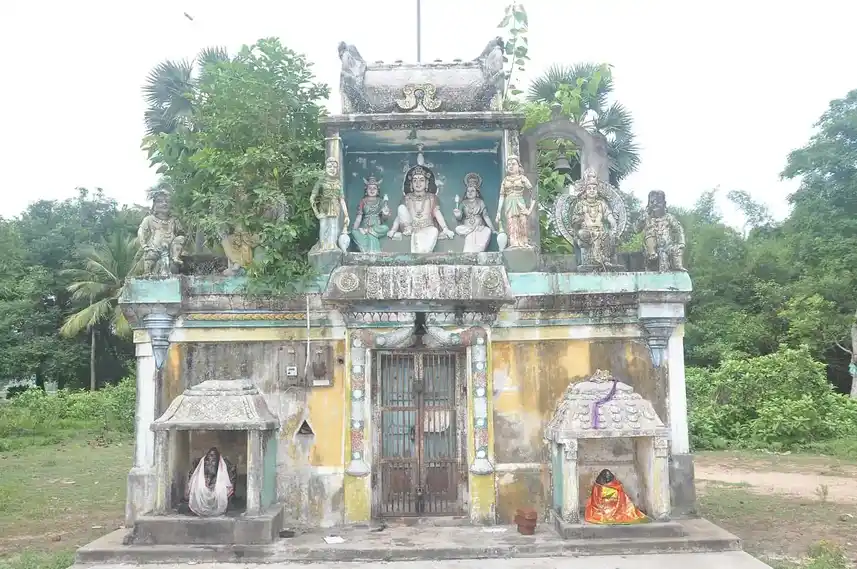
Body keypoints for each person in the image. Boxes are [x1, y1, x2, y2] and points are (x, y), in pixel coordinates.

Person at [584, 468, 648, 525]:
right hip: (602, 505)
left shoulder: (613, 484)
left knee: (621, 495)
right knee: (618, 495)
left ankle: (619, 511)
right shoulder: (598, 486)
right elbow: (597, 497)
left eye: (608, 477)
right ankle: (612, 513)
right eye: (606, 477)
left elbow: (617, 487)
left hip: (612, 502)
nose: (607, 478)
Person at [496, 156, 534, 248]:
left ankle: (524, 243)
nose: (511, 166)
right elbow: (502, 196)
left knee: (523, 223)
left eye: (513, 164)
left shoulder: (522, 178)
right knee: (511, 225)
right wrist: (498, 211)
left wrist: (529, 210)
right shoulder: (505, 180)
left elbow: (533, 194)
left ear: (518, 166)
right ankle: (514, 244)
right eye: (509, 164)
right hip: (509, 204)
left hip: (520, 203)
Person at [185, 447, 236, 517]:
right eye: (208, 460)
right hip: (204, 494)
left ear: (218, 461)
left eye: (213, 460)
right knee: (198, 488)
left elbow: (227, 485)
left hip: (216, 491)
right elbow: (196, 483)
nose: (210, 462)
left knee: (220, 491)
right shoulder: (202, 467)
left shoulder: (222, 470)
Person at [453, 173, 495, 252]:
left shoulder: (480, 202)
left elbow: (485, 216)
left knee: (487, 231)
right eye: (468, 191)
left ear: (477, 192)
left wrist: (493, 229)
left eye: (472, 191)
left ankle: (478, 249)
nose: (470, 192)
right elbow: (459, 217)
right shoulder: (463, 203)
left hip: (479, 227)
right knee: (458, 229)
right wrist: (457, 215)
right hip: (467, 228)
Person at [351, 176, 391, 252]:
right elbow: (359, 217)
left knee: (386, 228)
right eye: (370, 188)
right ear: (366, 190)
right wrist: (354, 228)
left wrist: (385, 213)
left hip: (376, 226)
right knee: (354, 232)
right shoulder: (363, 201)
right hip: (365, 225)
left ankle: (369, 231)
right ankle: (369, 237)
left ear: (378, 190)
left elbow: (384, 219)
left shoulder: (381, 201)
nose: (372, 190)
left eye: (374, 188)